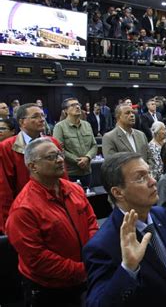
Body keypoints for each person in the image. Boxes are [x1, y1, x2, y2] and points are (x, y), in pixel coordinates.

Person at [83, 152, 166, 306]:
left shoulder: (160, 215)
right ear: (118, 192)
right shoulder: (102, 245)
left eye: (150, 173)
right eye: (141, 177)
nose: (153, 181)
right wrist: (128, 269)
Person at [6, 138, 98, 306]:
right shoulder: (24, 208)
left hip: (85, 276)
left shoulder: (74, 189)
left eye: (60, 154)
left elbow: (91, 222)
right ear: (33, 166)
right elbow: (38, 259)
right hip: (50, 289)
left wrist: (92, 256)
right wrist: (82, 269)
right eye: (51, 157)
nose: (60, 159)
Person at [0, 103, 66, 233]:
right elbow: (4, 188)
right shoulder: (7, 147)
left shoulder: (53, 142)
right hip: (25, 209)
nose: (42, 119)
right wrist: (7, 220)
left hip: (55, 205)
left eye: (43, 115)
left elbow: (63, 177)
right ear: (22, 122)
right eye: (35, 116)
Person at [53, 98, 97, 188]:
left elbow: (94, 145)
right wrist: (78, 160)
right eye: (72, 105)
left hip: (87, 171)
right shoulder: (60, 127)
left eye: (78, 104)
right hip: (71, 172)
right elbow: (59, 150)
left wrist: (87, 158)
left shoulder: (86, 125)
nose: (77, 107)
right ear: (65, 110)